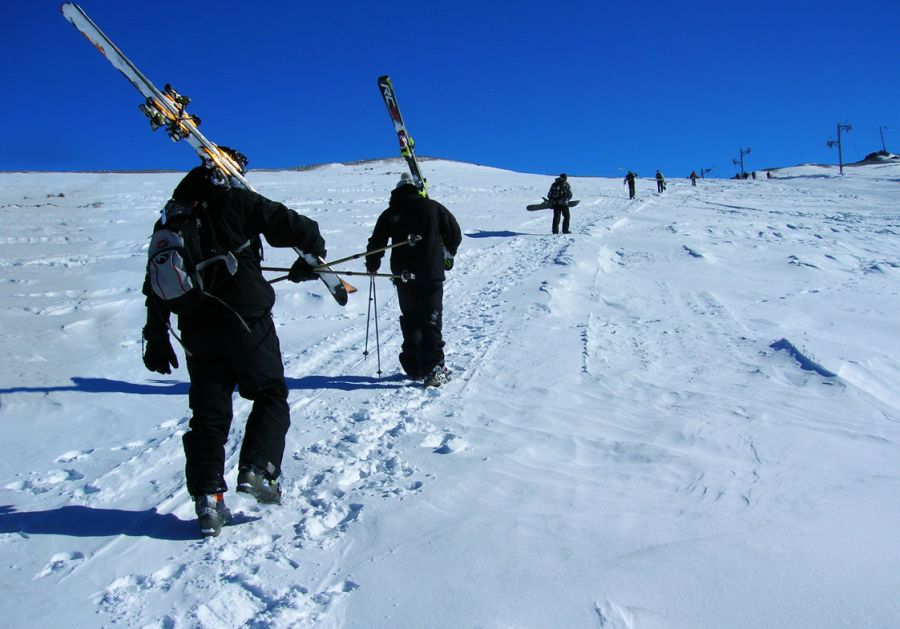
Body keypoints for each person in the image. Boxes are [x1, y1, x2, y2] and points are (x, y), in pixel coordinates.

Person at [141, 150, 327, 538]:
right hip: (247, 321)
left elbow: (155, 284)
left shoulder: (172, 218)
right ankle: (259, 469)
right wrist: (310, 259)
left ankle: (209, 500)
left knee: (208, 416)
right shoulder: (237, 200)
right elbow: (299, 227)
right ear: (229, 172)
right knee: (270, 394)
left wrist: (157, 334)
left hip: (195, 328)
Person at [365, 173, 462, 387]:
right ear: (416, 190)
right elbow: (454, 233)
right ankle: (434, 369)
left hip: (403, 275)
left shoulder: (390, 213)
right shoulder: (433, 207)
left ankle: (414, 366)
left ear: (397, 192)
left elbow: (377, 242)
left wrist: (372, 263)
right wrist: (448, 252)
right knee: (430, 319)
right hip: (430, 273)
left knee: (411, 318)